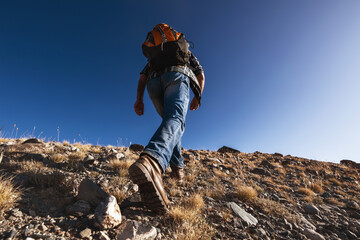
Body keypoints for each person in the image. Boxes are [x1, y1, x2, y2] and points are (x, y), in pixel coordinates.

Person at [129, 23, 205, 212]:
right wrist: (198, 96)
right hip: (177, 75)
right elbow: (200, 75)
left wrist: (139, 99)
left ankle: (178, 171)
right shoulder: (184, 51)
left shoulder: (154, 57)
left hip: (153, 83)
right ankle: (153, 162)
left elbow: (142, 78)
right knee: (176, 120)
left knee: (170, 125)